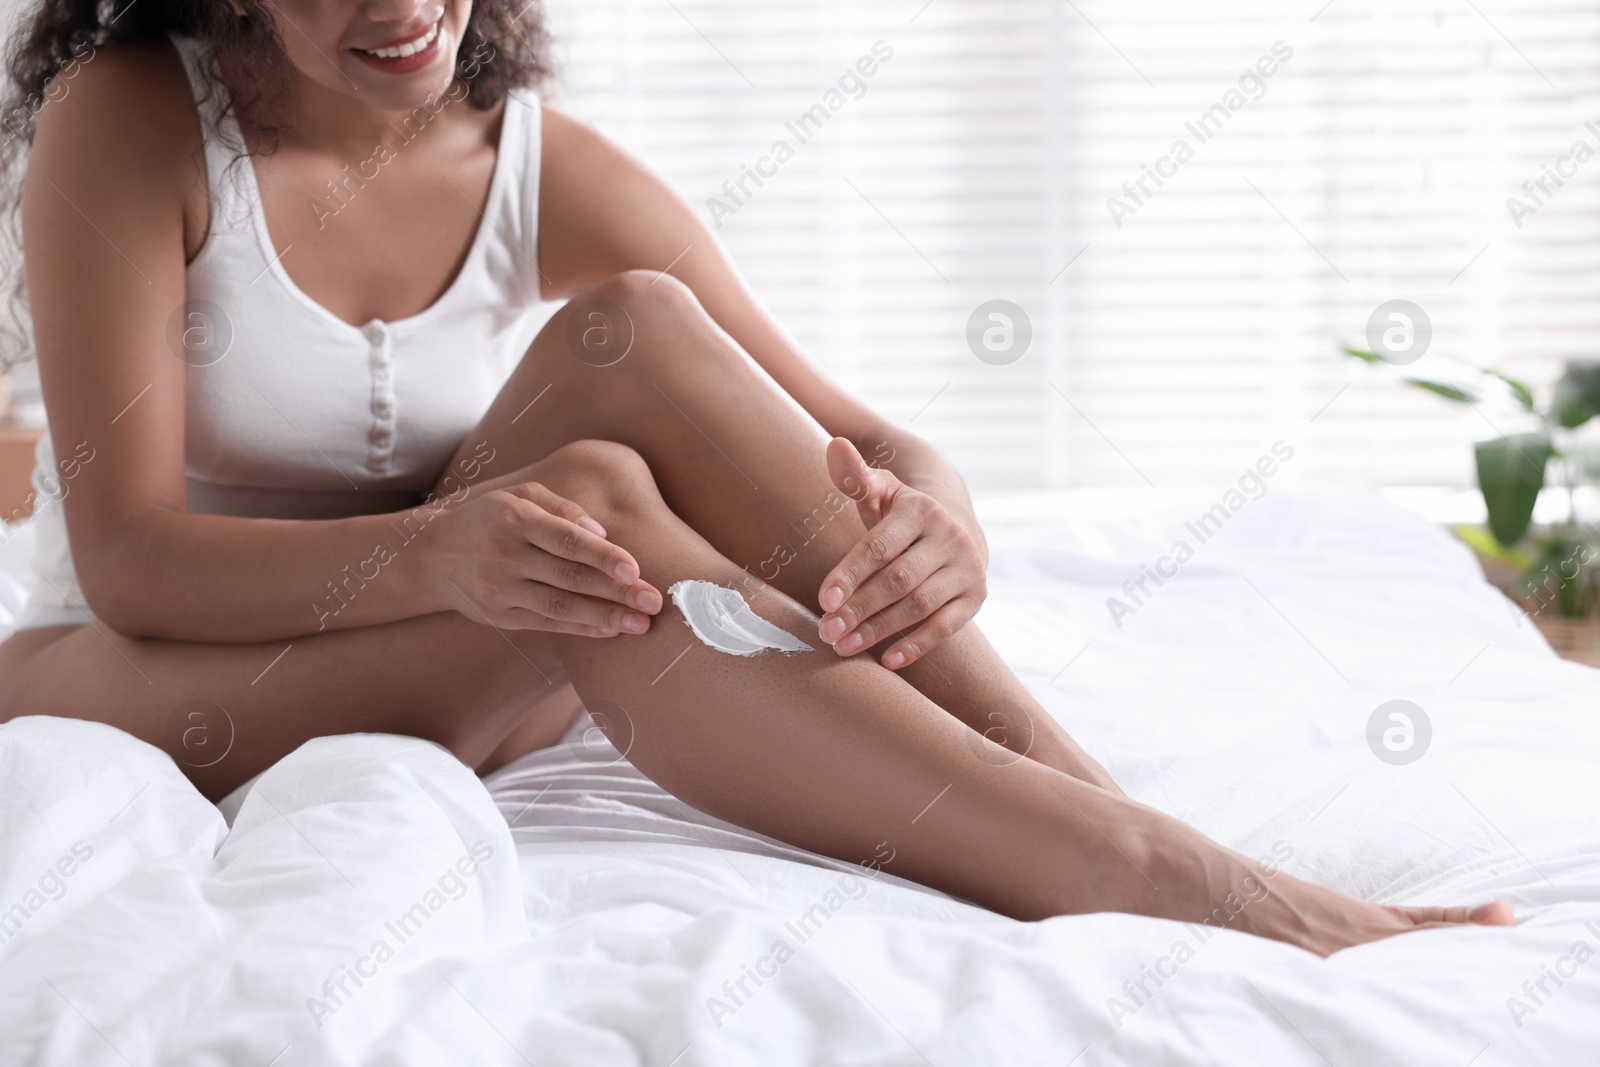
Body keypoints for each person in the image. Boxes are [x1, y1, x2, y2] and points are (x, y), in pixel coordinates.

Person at [0, 0, 1510, 955]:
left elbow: (850, 437)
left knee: (638, 335)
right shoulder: (129, 118)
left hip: (474, 635)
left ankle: (1081, 796)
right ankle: (1133, 866)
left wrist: (940, 514)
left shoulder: (529, 159)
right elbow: (131, 556)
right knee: (592, 503)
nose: (402, 10)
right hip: (145, 665)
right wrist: (440, 550)